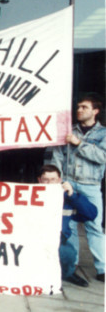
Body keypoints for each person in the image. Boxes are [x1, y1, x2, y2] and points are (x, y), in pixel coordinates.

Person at [49, 94, 106, 282]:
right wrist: (58, 179)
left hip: (90, 184)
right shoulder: (68, 131)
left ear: (95, 111)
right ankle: (71, 265)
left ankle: (102, 268)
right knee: (70, 225)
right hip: (69, 182)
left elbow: (102, 157)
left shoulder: (103, 134)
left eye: (84, 107)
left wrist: (79, 144)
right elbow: (57, 155)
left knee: (94, 226)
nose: (79, 110)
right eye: (78, 107)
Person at [37, 164, 97, 287]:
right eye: (45, 180)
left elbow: (90, 214)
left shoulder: (68, 198)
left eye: (53, 180)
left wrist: (72, 195)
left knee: (68, 253)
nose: (49, 183)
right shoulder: (29, 195)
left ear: (60, 180)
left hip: (57, 238)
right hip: (33, 237)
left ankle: (67, 274)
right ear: (39, 180)